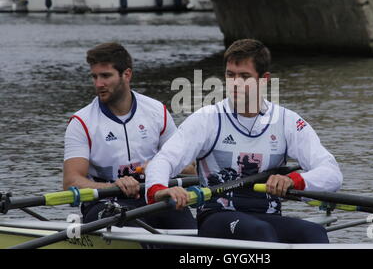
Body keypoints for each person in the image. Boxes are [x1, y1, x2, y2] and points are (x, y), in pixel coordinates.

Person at [145, 39, 343, 243]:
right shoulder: (207, 119)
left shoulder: (287, 121)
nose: (235, 83)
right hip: (217, 218)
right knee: (259, 232)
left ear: (264, 79)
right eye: (230, 75)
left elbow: (331, 172)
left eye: (245, 76)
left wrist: (296, 180)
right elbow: (164, 160)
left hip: (266, 216)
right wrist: (160, 189)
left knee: (314, 233)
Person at [63, 42, 197, 230]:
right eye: (94, 77)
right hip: (105, 203)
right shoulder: (82, 122)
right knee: (135, 229)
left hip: (152, 196)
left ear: (127, 75)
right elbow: (71, 182)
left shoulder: (157, 111)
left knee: (191, 231)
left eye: (106, 76)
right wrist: (112, 186)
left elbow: (190, 168)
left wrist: (161, 164)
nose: (98, 84)